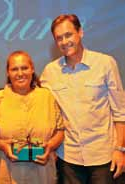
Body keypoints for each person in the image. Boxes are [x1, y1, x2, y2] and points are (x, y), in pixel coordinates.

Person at [40, 14, 125, 184]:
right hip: (68, 159)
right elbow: (41, 106)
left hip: (104, 156)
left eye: (68, 35)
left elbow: (120, 112)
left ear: (80, 32)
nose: (64, 41)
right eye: (59, 38)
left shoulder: (105, 64)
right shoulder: (50, 72)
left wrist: (120, 150)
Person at [0, 50, 65, 184]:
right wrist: (0, 144)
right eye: (14, 69)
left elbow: (60, 130)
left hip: (41, 174)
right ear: (8, 72)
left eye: (24, 68)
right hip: (3, 174)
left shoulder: (47, 97)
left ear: (32, 69)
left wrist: (50, 146)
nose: (20, 73)